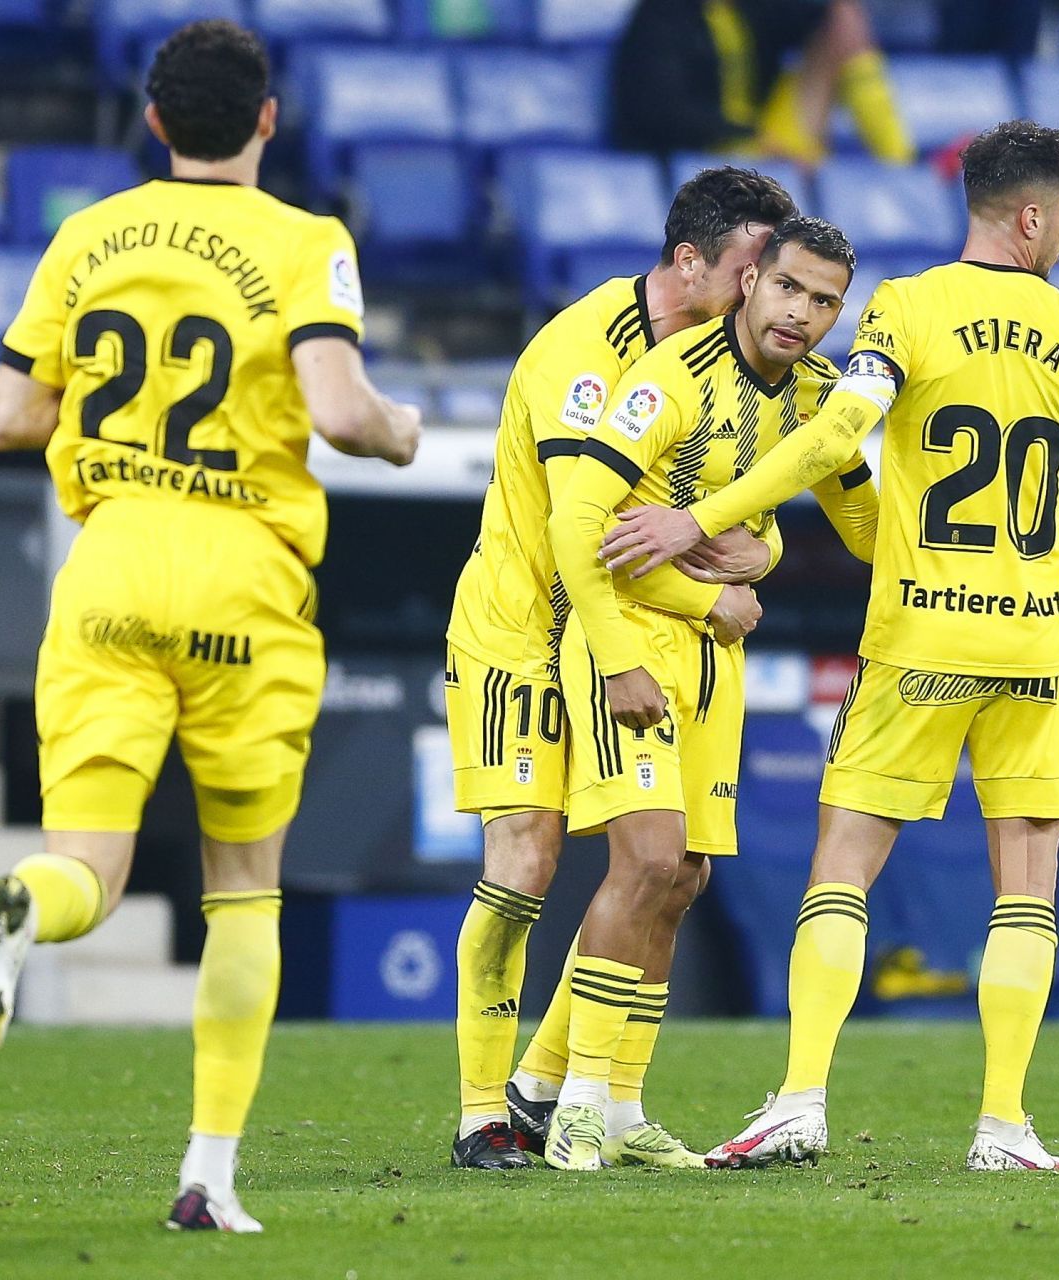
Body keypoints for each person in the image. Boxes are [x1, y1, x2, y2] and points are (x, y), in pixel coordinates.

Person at [597, 119, 1059, 1172]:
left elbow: (829, 438)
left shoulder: (906, 309)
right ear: (1031, 215)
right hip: (1035, 649)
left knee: (845, 867)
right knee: (1026, 886)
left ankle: (801, 1094)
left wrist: (694, 513)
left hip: (920, 641)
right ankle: (1003, 1123)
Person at [0, 20, 421, 1232]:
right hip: (243, 572)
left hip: (109, 560)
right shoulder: (308, 241)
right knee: (244, 891)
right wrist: (401, 428)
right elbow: (339, 409)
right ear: (267, 120)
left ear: (153, 123)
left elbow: (5, 415)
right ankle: (208, 1173)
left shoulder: (88, 233)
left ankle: (21, 902)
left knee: (87, 869)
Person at [442, 167, 798, 1170]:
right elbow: (577, 531)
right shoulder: (582, 355)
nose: (759, 290)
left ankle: (547, 1085)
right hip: (524, 630)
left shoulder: (723, 363)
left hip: (625, 632)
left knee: (663, 872)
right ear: (690, 261)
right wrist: (712, 597)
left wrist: (759, 556)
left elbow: (746, 513)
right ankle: (480, 1114)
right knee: (524, 862)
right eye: (747, 268)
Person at [541, 216, 877, 1170]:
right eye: (789, 289)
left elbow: (864, 527)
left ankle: (619, 1108)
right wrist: (620, 658)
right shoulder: (670, 379)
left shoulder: (815, 403)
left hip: (713, 657)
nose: (803, 314)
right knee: (644, 861)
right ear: (749, 283)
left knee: (683, 878)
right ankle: (571, 1101)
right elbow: (580, 527)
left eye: (825, 301)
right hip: (630, 642)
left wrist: (768, 548)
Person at [610, 0, 912, 166]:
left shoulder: (750, 9)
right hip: (705, 148)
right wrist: (749, 135)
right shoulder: (661, 15)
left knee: (843, 15)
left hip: (761, 139)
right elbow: (660, 110)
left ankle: (899, 163)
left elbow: (825, 19)